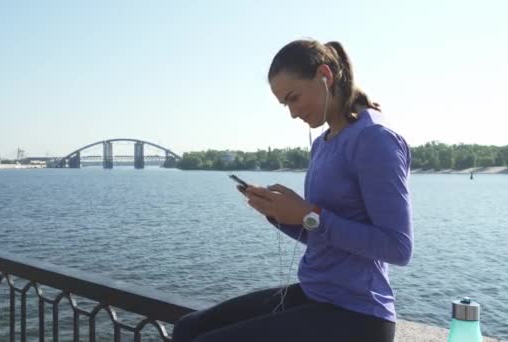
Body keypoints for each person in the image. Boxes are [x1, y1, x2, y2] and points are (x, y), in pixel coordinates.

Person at [171, 39, 413, 342]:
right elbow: (320, 233)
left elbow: (397, 248)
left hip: (358, 314)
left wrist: (307, 214)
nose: (292, 113)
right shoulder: (322, 144)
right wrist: (278, 214)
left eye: (294, 98)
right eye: (285, 104)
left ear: (325, 75)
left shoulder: (375, 138)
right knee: (187, 328)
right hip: (316, 294)